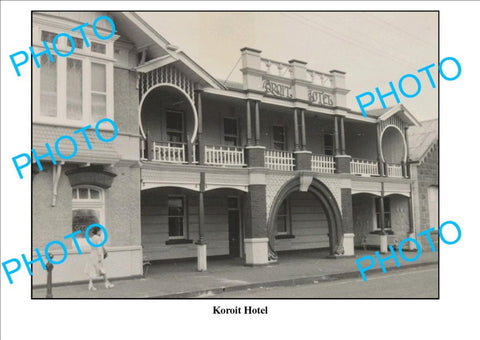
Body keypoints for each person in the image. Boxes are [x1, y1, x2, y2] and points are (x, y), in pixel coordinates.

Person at [84, 226, 114, 291]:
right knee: (102, 269)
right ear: (97, 231)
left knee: (92, 269)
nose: (101, 232)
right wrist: (100, 257)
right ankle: (106, 283)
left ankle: (91, 284)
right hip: (97, 255)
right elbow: (99, 248)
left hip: (92, 255)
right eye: (100, 231)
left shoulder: (92, 238)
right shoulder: (98, 238)